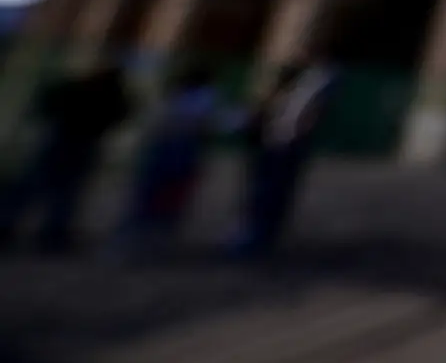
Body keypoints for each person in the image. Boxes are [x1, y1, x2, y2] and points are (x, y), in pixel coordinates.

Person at [0, 55, 133, 253]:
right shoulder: (109, 92)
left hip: (67, 139)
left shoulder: (82, 86)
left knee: (39, 185)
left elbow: (50, 103)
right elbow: (123, 113)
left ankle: (15, 226)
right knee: (63, 190)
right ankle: (49, 233)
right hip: (81, 141)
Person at [229, 56, 335, 257]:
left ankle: (257, 234)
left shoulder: (304, 92)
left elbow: (304, 118)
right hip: (276, 146)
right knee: (265, 191)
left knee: (268, 191)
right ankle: (254, 233)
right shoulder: (292, 95)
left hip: (282, 146)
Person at [113, 64, 221, 256]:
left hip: (173, 150)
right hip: (175, 151)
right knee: (158, 196)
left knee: (158, 195)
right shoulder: (200, 98)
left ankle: (145, 236)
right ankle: (145, 236)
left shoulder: (193, 97)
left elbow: (182, 123)